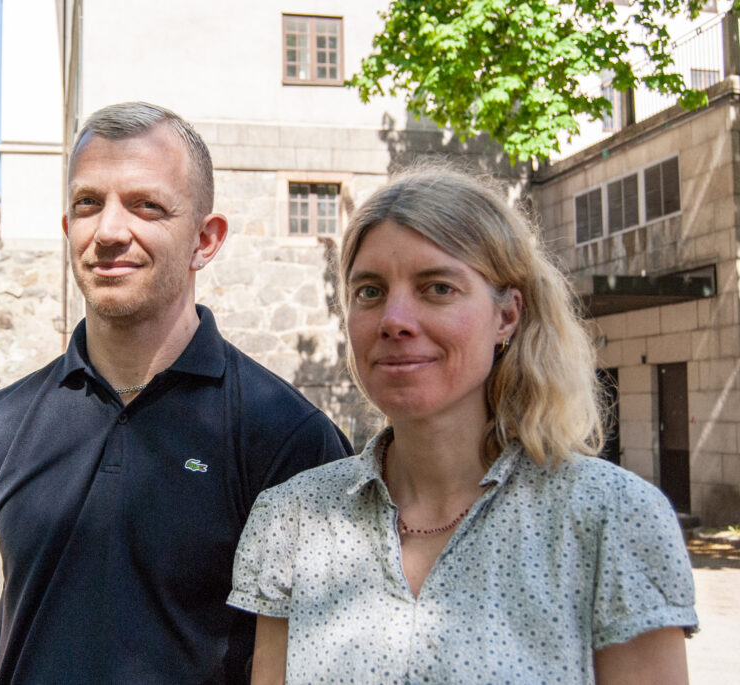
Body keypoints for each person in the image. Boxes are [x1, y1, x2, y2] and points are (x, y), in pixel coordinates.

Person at [0, 102, 352, 684]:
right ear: (69, 230)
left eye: (146, 206)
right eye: (88, 204)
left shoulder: (286, 439)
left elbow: (332, 636)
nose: (110, 231)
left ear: (205, 240)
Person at [229, 165, 698, 684]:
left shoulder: (611, 520)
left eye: (437, 288)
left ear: (507, 317)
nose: (394, 319)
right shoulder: (291, 519)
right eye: (370, 291)